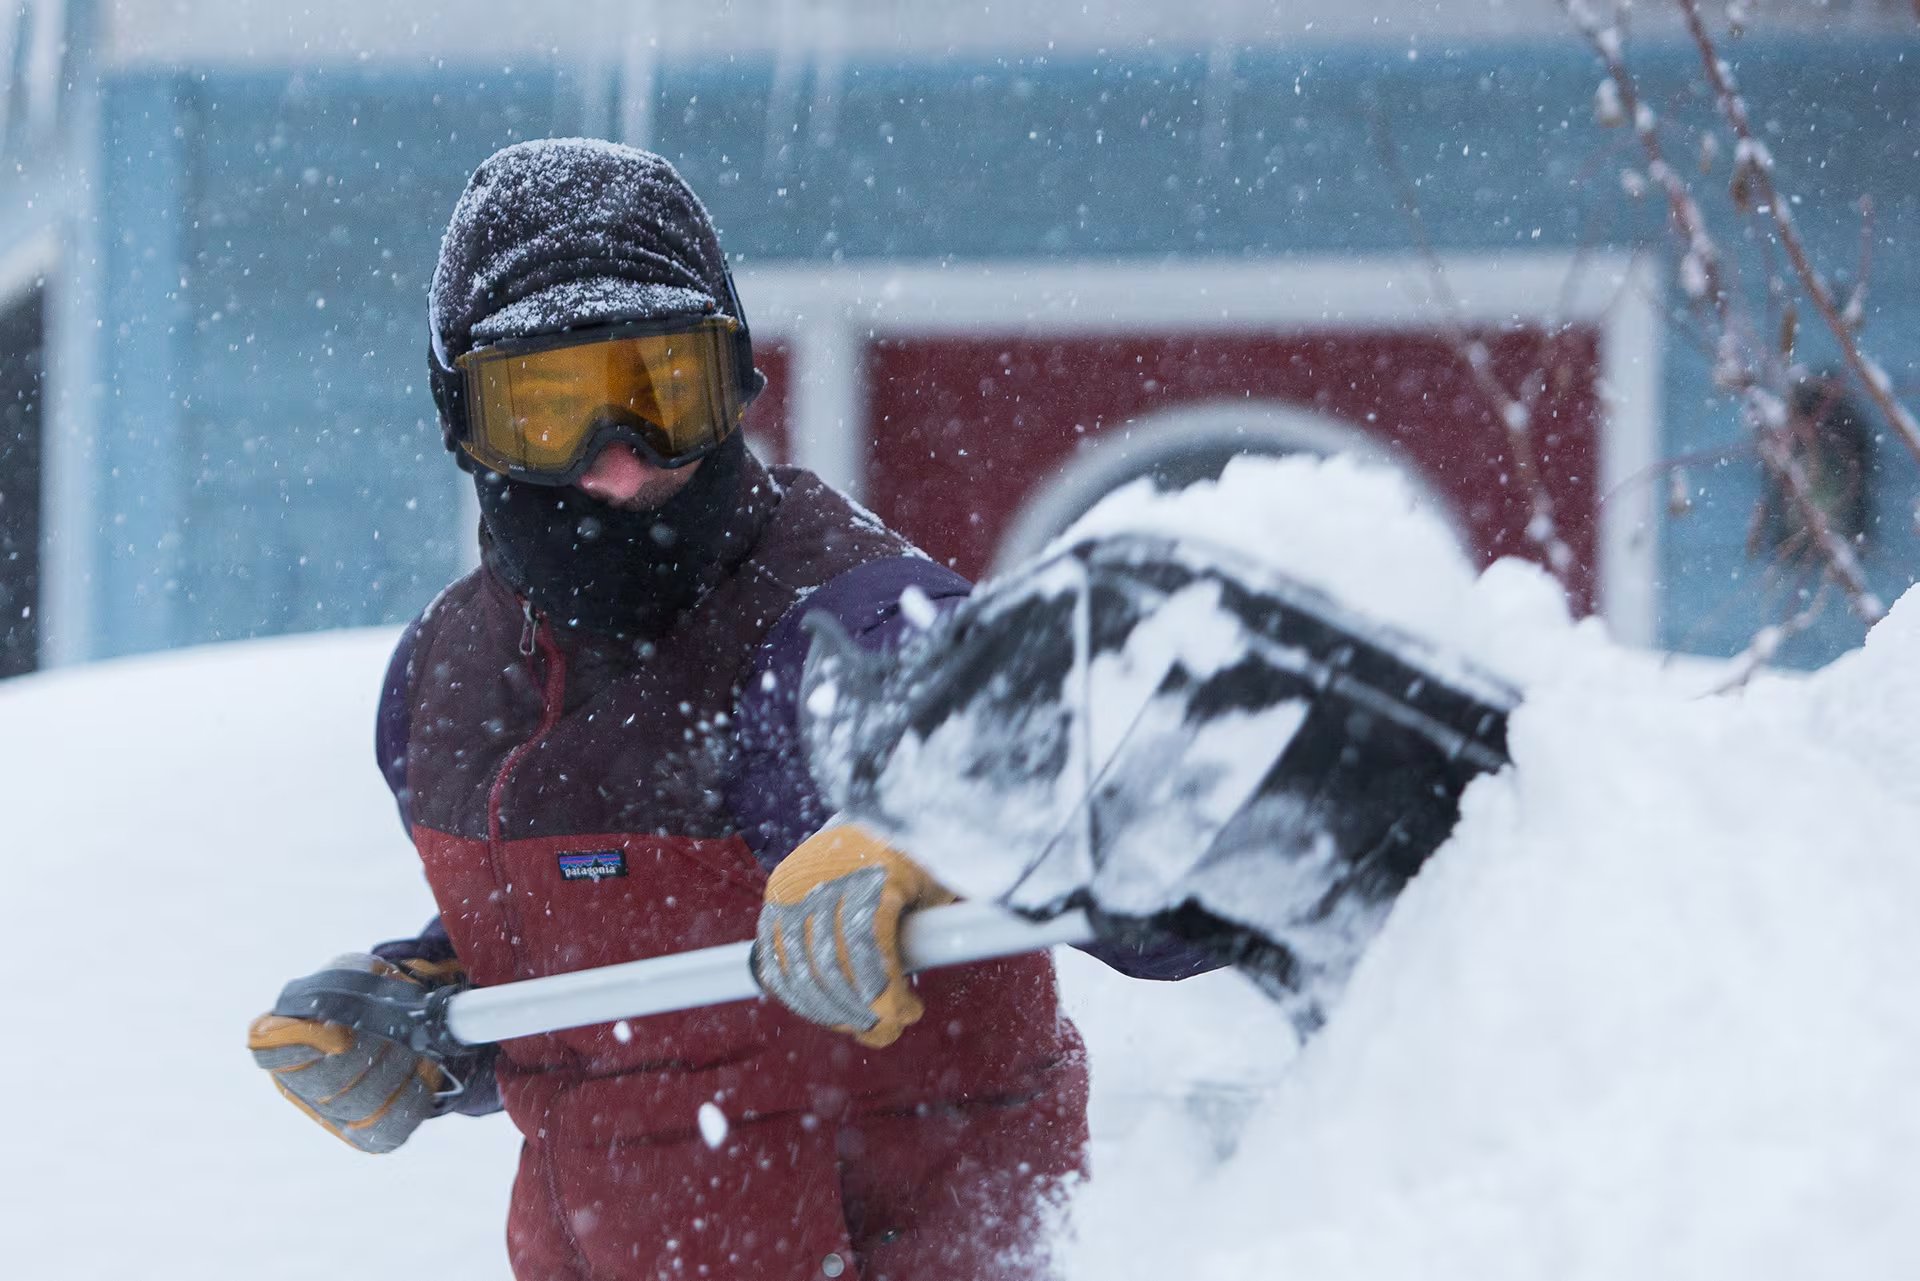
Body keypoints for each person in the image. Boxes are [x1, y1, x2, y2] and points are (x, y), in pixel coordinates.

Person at [246, 139, 1206, 1281]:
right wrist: (441, 1015)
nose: (617, 466)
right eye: (548, 412)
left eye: (662, 392)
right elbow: (632, 982)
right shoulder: (445, 685)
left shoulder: (843, 622)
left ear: (738, 381)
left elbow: (1165, 874)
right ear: (461, 418)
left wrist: (945, 824)